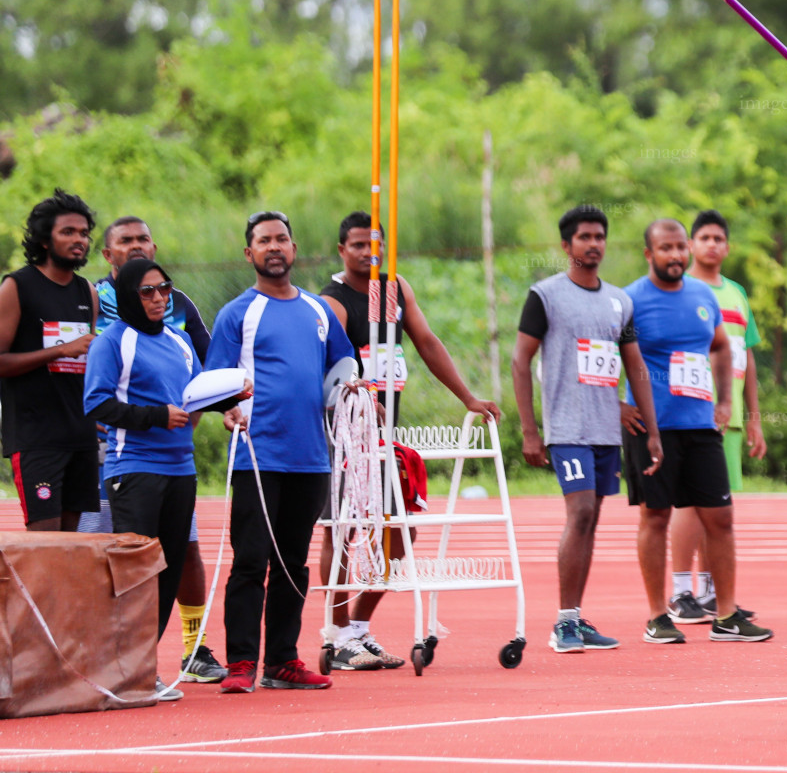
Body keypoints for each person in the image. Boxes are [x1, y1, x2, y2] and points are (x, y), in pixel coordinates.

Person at [316, 211, 503, 671]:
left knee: (402, 529)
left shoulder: (395, 288)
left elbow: (428, 343)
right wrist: (355, 399)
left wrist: (468, 397)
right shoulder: (334, 301)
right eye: (358, 245)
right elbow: (325, 367)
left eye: (375, 245)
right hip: (346, 437)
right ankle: (336, 636)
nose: (368, 253)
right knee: (343, 531)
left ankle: (359, 629)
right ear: (342, 250)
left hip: (388, 436)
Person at [206, 211, 356, 693]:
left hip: (310, 457)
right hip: (257, 456)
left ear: (294, 250)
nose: (275, 246)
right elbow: (214, 385)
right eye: (264, 240)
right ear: (249, 253)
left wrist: (353, 396)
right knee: (251, 559)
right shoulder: (238, 314)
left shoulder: (319, 311)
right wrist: (228, 410)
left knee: (294, 562)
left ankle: (283, 661)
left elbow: (343, 368)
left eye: (282, 239)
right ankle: (241, 662)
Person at [80, 215, 226, 685]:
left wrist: (230, 402)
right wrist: (156, 416)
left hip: (181, 469)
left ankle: (143, 667)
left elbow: (196, 390)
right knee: (134, 571)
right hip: (133, 468)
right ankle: (120, 667)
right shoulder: (112, 342)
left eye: (164, 288)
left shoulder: (182, 341)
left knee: (169, 569)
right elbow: (97, 405)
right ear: (127, 295)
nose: (159, 297)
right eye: (147, 291)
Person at [513, 205, 661, 653]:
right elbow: (521, 361)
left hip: (604, 432)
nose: (593, 244)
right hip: (566, 429)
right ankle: (563, 624)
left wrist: (652, 432)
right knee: (578, 514)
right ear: (566, 245)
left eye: (600, 236)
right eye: (584, 237)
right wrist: (530, 431)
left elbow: (634, 368)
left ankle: (574, 617)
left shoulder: (620, 301)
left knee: (591, 520)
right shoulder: (546, 295)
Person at [620, 218, 772, 645]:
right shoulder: (631, 300)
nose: (675, 256)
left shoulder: (703, 296)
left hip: (701, 425)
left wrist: (725, 400)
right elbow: (608, 352)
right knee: (656, 516)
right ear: (649, 254)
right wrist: (617, 405)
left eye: (679, 248)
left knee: (720, 518)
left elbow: (723, 346)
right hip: (653, 428)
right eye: (665, 249)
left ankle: (726, 616)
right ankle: (657, 616)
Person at [667, 210, 765, 623]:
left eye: (718, 238)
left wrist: (754, 417)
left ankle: (709, 590)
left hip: (731, 416)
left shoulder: (738, 294)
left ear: (727, 246)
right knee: (689, 504)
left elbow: (747, 355)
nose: (711, 244)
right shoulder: (679, 289)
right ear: (690, 246)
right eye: (703, 237)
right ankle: (680, 593)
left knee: (717, 507)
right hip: (691, 412)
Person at [0, 189, 99, 531]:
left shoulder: (88, 292)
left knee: (72, 546)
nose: (79, 240)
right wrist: (58, 350)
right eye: (68, 232)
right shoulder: (17, 286)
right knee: (45, 544)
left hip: (81, 436)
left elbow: (85, 364)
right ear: (45, 239)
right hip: (36, 438)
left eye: (84, 233)